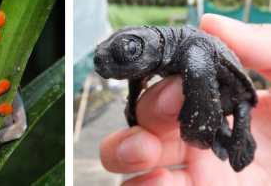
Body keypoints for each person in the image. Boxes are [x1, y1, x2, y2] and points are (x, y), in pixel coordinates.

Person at [99, 14, 271, 185]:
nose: (104, 61)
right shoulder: (158, 55)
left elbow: (200, 83)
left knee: (202, 83)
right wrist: (132, 112)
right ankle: (220, 132)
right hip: (220, 97)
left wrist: (198, 132)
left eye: (130, 48)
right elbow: (137, 76)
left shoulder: (193, 46)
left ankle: (224, 135)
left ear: (159, 44)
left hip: (239, 98)